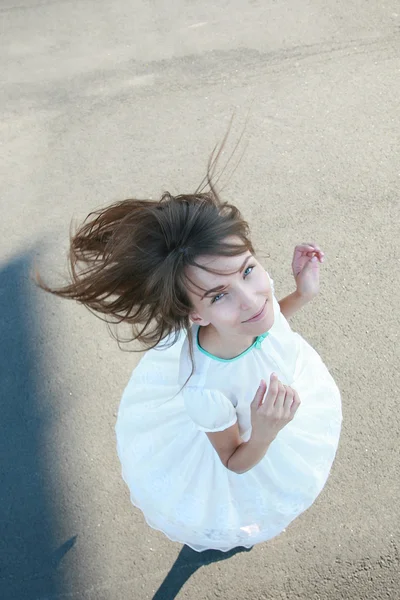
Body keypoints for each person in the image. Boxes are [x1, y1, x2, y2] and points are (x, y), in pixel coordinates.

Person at [35, 175, 342, 553]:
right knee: (232, 508)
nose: (251, 300)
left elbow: (271, 323)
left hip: (269, 412)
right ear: (193, 315)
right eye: (219, 296)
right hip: (249, 439)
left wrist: (302, 293)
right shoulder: (206, 387)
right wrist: (263, 432)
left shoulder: (254, 306)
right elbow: (233, 460)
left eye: (247, 270)